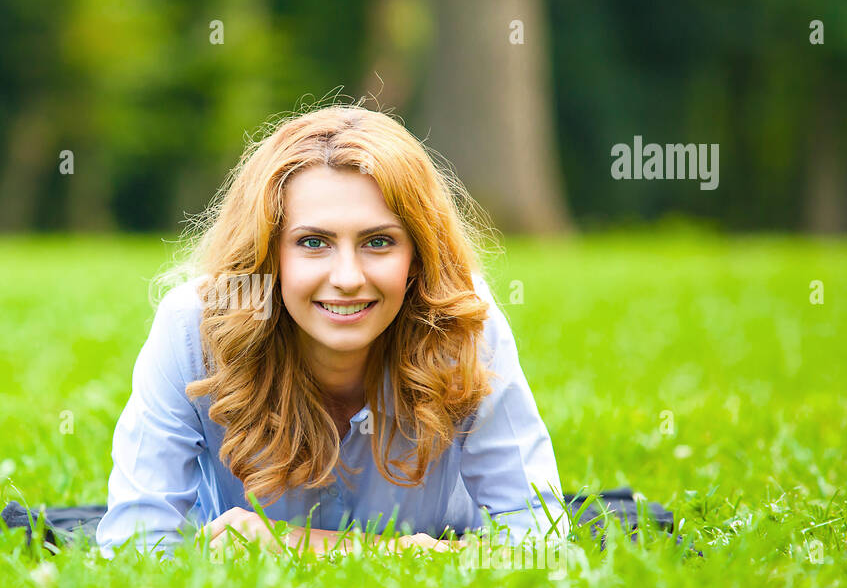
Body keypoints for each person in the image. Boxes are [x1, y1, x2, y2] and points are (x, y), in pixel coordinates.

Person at [95, 103, 569, 559]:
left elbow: (541, 543)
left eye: (378, 242)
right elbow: (135, 548)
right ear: (268, 255)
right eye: (313, 242)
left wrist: (296, 545)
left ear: (417, 258)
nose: (347, 277)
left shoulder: (464, 321)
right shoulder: (195, 326)